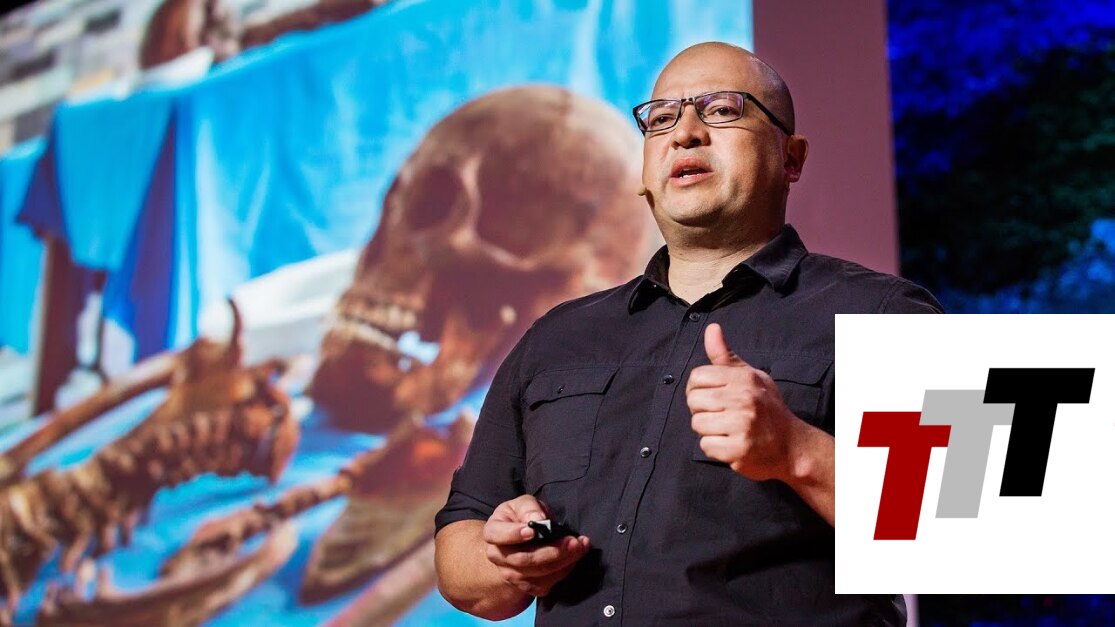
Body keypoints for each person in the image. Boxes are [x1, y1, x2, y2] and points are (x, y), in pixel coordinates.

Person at [433, 41, 942, 625]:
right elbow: (461, 554)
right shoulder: (557, 338)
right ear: (644, 175)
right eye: (661, 119)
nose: (685, 133)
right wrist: (504, 559)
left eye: (722, 110)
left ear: (791, 157)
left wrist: (795, 450)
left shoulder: (885, 312)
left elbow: (969, 530)